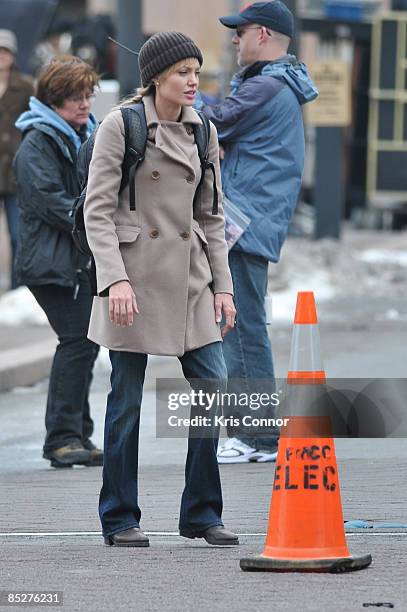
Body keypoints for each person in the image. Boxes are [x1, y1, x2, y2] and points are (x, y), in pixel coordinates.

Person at [84, 32, 238, 547]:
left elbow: (211, 216)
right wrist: (115, 280)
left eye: (196, 70)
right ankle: (120, 516)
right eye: (181, 72)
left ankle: (200, 512)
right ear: (155, 78)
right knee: (126, 400)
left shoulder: (204, 132)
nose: (193, 80)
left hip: (190, 279)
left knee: (214, 388)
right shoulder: (120, 125)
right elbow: (97, 211)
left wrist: (224, 287)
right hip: (133, 277)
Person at [195, 1, 318, 463]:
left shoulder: (266, 86)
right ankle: (254, 435)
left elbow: (216, 119)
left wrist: (179, 93)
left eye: (240, 32)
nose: (233, 39)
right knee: (240, 326)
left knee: (241, 329)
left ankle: (257, 438)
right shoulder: (274, 85)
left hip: (244, 224)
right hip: (248, 222)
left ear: (263, 35)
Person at [14, 56, 102, 468]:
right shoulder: (38, 141)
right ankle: (62, 439)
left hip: (76, 259)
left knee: (85, 341)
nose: (83, 103)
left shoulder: (86, 132)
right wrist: (97, 218)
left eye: (87, 95)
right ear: (53, 99)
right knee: (79, 339)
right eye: (74, 97)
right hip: (49, 263)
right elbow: (50, 202)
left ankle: (77, 434)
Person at [0, 29, 34, 290]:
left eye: (6, 51)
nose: (2, 56)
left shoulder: (25, 85)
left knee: (17, 233)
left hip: (15, 170)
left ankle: (16, 288)